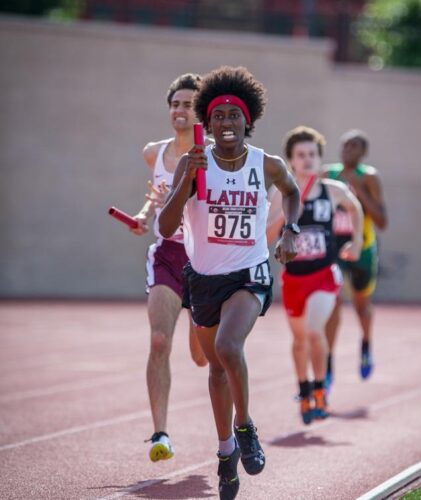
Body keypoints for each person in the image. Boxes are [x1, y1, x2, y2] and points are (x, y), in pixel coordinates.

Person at [159, 66, 300, 500]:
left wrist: (291, 230)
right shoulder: (193, 162)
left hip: (249, 272)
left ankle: (245, 427)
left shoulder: (267, 164)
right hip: (203, 278)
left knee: (227, 347)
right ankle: (225, 453)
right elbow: (166, 227)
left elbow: (292, 192)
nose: (225, 123)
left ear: (247, 122)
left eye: (232, 116)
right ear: (207, 123)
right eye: (217, 116)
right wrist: (186, 178)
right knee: (217, 370)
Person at [130, 73, 209, 463]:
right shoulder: (153, 153)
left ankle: (200, 320)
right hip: (168, 254)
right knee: (160, 341)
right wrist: (145, 216)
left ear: (202, 113)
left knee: (201, 356)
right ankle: (160, 433)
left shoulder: (213, 154)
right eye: (175, 103)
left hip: (208, 261)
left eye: (188, 104)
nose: (179, 110)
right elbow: (156, 198)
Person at [267, 126, 363, 423]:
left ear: (320, 158)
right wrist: (286, 212)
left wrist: (357, 241)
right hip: (294, 277)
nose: (307, 159)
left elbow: (355, 207)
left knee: (313, 330)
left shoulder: (331, 191)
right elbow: (267, 235)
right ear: (291, 161)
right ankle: (304, 391)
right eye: (301, 155)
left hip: (324, 274)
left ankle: (321, 389)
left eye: (312, 154)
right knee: (298, 341)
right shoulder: (279, 192)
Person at [323, 129, 388, 385]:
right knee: (332, 302)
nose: (347, 150)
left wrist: (358, 190)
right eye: (344, 145)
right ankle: (327, 363)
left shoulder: (369, 177)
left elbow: (382, 221)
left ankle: (365, 344)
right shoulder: (329, 173)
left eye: (353, 146)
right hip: (334, 248)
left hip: (362, 247)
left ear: (364, 152)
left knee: (361, 307)